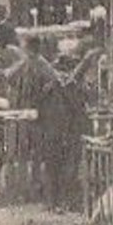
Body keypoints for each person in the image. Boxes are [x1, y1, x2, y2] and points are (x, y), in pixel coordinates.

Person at [32, 52, 88, 212]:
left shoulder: (51, 88)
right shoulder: (69, 87)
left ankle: (55, 202)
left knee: (56, 168)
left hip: (57, 133)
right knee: (62, 168)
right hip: (63, 133)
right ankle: (60, 202)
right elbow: (79, 109)